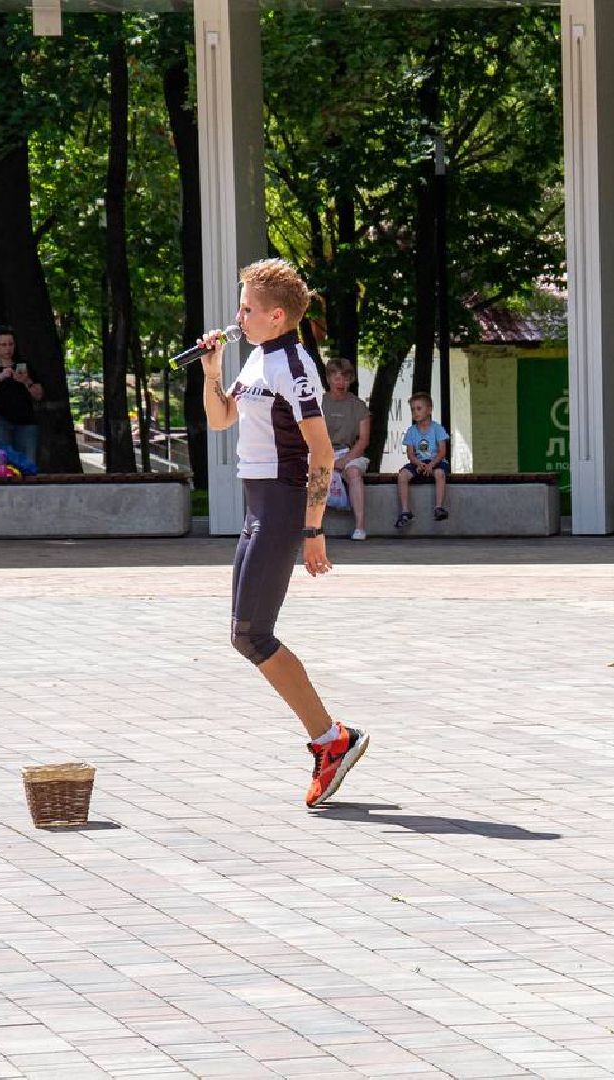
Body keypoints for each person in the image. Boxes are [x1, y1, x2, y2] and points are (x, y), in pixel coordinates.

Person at [195, 257, 368, 808]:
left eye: (246, 308)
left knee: (252, 634)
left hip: (281, 504)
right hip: (257, 506)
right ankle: (331, 737)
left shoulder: (291, 365)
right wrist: (213, 371)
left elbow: (321, 451)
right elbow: (221, 419)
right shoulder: (256, 360)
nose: (238, 316)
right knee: (245, 634)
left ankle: (331, 739)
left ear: (275, 316)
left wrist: (313, 529)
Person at [0, 326, 42, 474]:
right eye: (3, 345)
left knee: (28, 465)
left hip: (26, 422)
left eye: (11, 344)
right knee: (6, 461)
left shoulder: (24, 367)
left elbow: (39, 394)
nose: (8, 348)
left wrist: (26, 381)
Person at [321, 357, 371, 540]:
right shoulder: (319, 403)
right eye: (336, 377)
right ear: (328, 379)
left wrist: (345, 460)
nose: (341, 382)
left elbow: (363, 440)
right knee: (309, 473)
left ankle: (359, 527)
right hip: (322, 451)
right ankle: (313, 528)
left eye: (345, 378)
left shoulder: (358, 406)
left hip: (348, 452)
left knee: (354, 474)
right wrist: (324, 458)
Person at [395, 393, 449, 529]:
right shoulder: (411, 431)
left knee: (440, 474)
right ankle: (405, 511)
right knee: (402, 475)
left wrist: (432, 464)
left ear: (429, 410)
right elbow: (410, 454)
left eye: (419, 408)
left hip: (435, 461)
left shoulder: (437, 428)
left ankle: (438, 508)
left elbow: (442, 451)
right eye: (412, 409)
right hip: (418, 462)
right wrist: (418, 464)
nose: (415, 412)